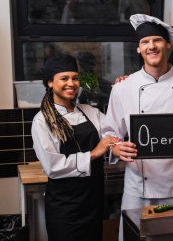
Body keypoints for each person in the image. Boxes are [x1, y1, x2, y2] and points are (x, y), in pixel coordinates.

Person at [101, 14, 173, 240]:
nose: (151, 46)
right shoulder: (123, 88)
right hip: (137, 188)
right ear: (138, 49)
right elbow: (110, 133)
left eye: (156, 40)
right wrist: (115, 149)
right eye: (145, 42)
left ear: (167, 44)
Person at [31, 54, 119, 241]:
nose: (71, 83)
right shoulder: (42, 121)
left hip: (92, 202)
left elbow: (113, 135)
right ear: (50, 83)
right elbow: (53, 167)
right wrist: (94, 153)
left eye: (75, 78)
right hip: (65, 209)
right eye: (64, 78)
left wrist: (122, 90)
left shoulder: (89, 112)